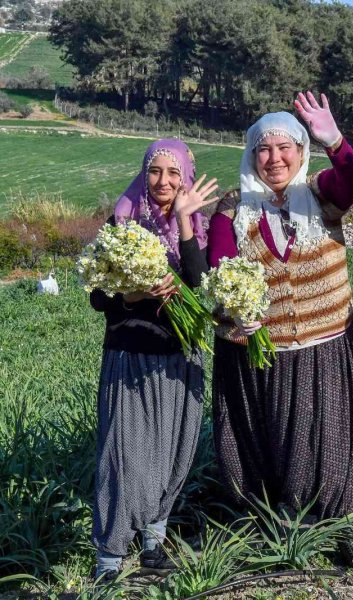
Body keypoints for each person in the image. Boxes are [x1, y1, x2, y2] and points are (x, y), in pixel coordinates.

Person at [206, 93, 353, 570]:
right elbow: (220, 267)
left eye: (285, 148)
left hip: (324, 342)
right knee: (271, 439)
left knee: (331, 439)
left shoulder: (320, 194)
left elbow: (350, 183)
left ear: (301, 152)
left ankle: (344, 527)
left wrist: (335, 141)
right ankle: (280, 527)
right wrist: (236, 310)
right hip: (261, 348)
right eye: (264, 149)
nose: (275, 159)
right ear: (251, 154)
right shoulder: (233, 207)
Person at [90, 139, 218, 579]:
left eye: (173, 172)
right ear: (144, 174)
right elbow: (97, 297)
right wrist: (132, 295)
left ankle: (152, 545)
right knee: (124, 457)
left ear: (185, 178)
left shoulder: (196, 224)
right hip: (130, 356)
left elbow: (199, 282)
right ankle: (109, 558)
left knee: (172, 453)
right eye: (155, 171)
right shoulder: (122, 223)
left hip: (180, 357)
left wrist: (183, 220)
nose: (163, 181)